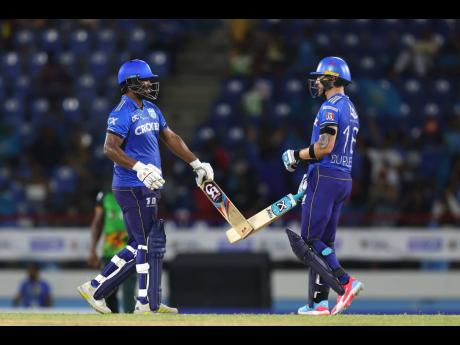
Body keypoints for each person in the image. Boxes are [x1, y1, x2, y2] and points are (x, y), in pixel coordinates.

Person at [77, 59, 214, 314]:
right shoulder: (121, 111)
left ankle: (120, 294)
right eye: (144, 79)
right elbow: (109, 148)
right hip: (130, 185)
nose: (150, 83)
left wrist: (196, 163)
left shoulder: (151, 108)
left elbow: (171, 138)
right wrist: (139, 167)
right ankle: (129, 299)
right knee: (144, 244)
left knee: (141, 243)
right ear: (129, 83)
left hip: (147, 184)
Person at [282, 57, 363, 316]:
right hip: (343, 178)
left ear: (331, 79)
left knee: (306, 241)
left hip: (326, 177)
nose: (316, 82)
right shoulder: (350, 107)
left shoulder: (330, 107)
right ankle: (318, 303)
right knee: (323, 241)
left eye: (319, 77)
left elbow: (325, 147)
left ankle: (346, 282)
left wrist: (296, 155)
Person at [87, 189, 137, 313]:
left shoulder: (135, 192)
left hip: (131, 251)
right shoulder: (104, 195)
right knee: (108, 294)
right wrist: (93, 249)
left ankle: (130, 323)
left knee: (129, 294)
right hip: (110, 252)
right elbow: (97, 222)